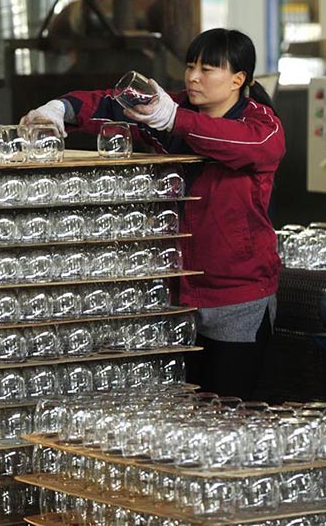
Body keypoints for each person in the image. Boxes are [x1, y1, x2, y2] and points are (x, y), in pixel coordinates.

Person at [21, 28, 285, 400]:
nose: (193, 76)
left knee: (227, 408)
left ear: (238, 80)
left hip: (236, 295)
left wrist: (173, 119)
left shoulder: (261, 126)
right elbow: (111, 104)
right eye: (190, 66)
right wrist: (63, 108)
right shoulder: (171, 110)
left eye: (208, 69)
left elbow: (242, 145)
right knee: (178, 407)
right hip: (177, 291)